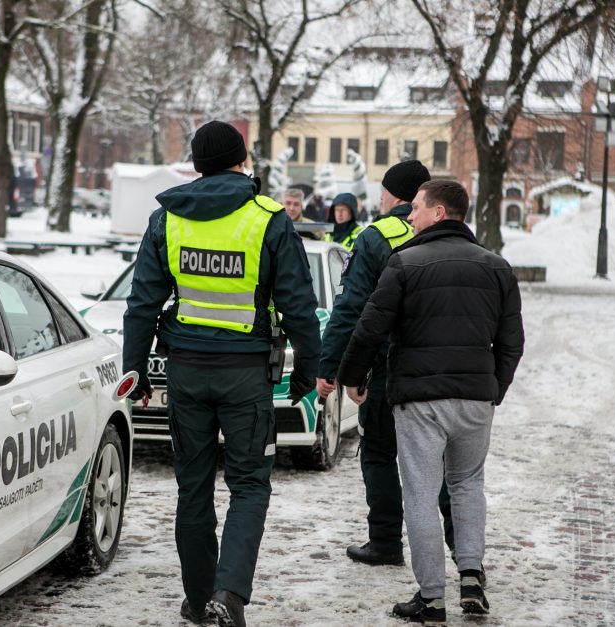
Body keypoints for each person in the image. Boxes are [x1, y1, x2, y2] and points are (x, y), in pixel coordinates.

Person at [123, 120, 320, 627]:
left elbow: (142, 303)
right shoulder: (268, 219)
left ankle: (196, 598)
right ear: (241, 160)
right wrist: (305, 375)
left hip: (186, 371)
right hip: (245, 375)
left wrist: (136, 369)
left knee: (193, 487)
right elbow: (299, 305)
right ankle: (228, 595)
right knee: (250, 485)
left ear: (197, 163)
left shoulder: (168, 218)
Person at [338, 180, 524, 623]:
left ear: (439, 212)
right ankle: (472, 576)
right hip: (476, 399)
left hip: (420, 400)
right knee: (467, 486)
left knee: (421, 493)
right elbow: (512, 342)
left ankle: (432, 597)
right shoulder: (497, 267)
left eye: (417, 208)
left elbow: (370, 327)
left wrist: (351, 375)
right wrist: (492, 387)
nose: (410, 215)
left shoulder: (405, 263)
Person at [316, 159, 449, 567]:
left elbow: (352, 308)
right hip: (442, 370)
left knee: (378, 452)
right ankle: (463, 552)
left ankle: (386, 541)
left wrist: (331, 365)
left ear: (394, 195)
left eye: (383, 192)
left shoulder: (376, 237)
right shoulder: (452, 233)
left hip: (389, 368)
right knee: (441, 463)